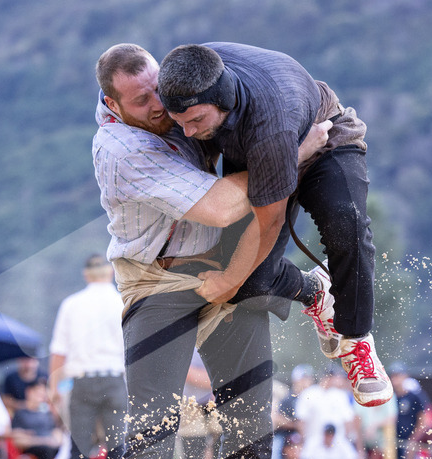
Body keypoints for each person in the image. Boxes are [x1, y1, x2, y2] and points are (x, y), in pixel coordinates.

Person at [89, 43, 336, 459]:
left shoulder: (181, 103)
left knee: (251, 423)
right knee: (153, 418)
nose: (162, 107)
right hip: (158, 277)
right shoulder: (120, 148)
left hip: (228, 268)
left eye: (161, 90)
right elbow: (224, 205)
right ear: (111, 103)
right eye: (143, 99)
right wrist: (291, 154)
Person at [158, 42, 393, 407]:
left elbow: (267, 226)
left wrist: (224, 280)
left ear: (222, 98)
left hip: (321, 141)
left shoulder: (271, 122)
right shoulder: (185, 74)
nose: (187, 132)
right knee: (248, 284)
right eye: (179, 123)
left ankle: (357, 339)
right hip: (257, 160)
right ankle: (316, 292)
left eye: (197, 121)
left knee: (346, 225)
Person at [48, 254, 127, 459]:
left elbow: (58, 351)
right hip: (115, 380)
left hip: (82, 382)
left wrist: (54, 389)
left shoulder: (72, 304)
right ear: (111, 274)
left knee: (79, 444)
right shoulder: (122, 302)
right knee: (117, 445)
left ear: (85, 275)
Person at [10, 379, 64, 459]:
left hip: (50, 447)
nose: (42, 396)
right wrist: (42, 440)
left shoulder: (48, 414)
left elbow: (58, 434)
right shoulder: (21, 414)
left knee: (66, 453)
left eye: (43, 393)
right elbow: (18, 439)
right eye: (38, 393)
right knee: (46, 451)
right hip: (33, 449)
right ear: (29, 392)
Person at [389, 363, 432, 459]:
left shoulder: (414, 396)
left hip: (411, 444)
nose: (395, 379)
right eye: (393, 375)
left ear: (405, 376)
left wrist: (413, 440)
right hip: (394, 443)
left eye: (398, 375)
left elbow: (423, 420)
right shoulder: (390, 398)